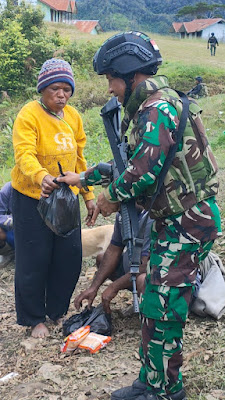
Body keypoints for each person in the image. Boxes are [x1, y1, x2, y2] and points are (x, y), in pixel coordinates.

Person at [57, 32, 221, 400]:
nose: (111, 88)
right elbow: (128, 163)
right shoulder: (153, 108)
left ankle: (165, 389)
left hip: (188, 223)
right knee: (154, 303)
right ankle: (151, 380)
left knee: (164, 307)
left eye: (110, 79)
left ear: (128, 73)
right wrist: (82, 178)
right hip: (177, 222)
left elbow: (142, 173)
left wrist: (110, 198)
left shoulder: (158, 109)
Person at [11, 58, 95, 338]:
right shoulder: (29, 114)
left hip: (65, 199)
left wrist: (88, 196)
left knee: (68, 257)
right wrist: (40, 176)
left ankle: (56, 311)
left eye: (67, 90)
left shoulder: (73, 116)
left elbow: (80, 159)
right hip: (31, 197)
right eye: (55, 89)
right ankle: (35, 319)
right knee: (34, 258)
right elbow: (24, 153)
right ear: (42, 89)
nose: (61, 95)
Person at [75, 209, 153, 314]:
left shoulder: (150, 218)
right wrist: (93, 288)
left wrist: (113, 287)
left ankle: (149, 314)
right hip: (131, 269)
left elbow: (144, 266)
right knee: (102, 258)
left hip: (153, 276)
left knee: (142, 279)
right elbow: (113, 250)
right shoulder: (123, 214)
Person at [0, 181, 14, 267]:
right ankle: (9, 252)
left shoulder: (42, 188)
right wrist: (13, 221)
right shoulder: (9, 189)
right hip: (13, 232)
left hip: (33, 234)